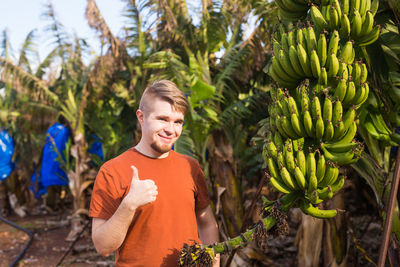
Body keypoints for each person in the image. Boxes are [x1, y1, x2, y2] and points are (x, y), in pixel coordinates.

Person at [89, 80, 220, 266]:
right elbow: (103, 247)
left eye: (178, 122)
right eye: (163, 119)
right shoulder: (112, 171)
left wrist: (212, 261)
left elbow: (206, 223)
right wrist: (129, 205)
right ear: (141, 117)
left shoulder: (191, 167)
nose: (171, 130)